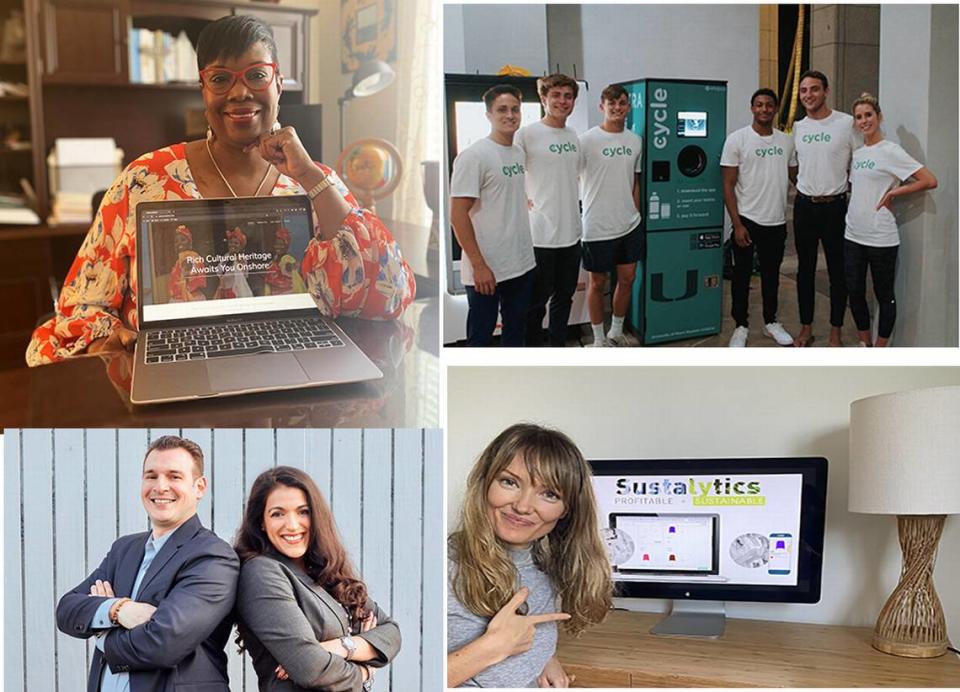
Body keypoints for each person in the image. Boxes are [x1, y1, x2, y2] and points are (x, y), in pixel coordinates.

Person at [26, 15, 414, 366]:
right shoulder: (143, 179)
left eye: (256, 75)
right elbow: (81, 307)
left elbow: (390, 293)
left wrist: (312, 177)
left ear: (279, 83)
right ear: (203, 90)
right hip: (174, 365)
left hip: (294, 362)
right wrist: (107, 340)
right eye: (220, 78)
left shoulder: (316, 181)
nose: (239, 92)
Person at [55, 435, 240, 692]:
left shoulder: (212, 556)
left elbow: (163, 643)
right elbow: (67, 609)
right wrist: (118, 610)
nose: (160, 486)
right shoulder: (124, 549)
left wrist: (103, 634)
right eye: (151, 476)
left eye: (174, 476)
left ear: (199, 487)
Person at [447, 424, 613, 688]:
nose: (523, 507)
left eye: (549, 494)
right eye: (510, 482)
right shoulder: (443, 568)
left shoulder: (543, 563)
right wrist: (491, 648)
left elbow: (523, 634)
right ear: (485, 483)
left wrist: (543, 658)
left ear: (566, 510)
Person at [234, 466, 401, 691]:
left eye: (303, 511)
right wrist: (365, 670)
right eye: (278, 513)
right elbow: (311, 668)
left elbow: (391, 633)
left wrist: (340, 646)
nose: (292, 525)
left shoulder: (326, 571)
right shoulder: (262, 572)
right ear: (261, 522)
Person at [844, 92, 937, 347]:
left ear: (879, 117)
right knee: (854, 291)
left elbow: (929, 180)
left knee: (883, 295)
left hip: (881, 237)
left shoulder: (891, 151)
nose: (864, 121)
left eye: (868, 115)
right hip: (853, 234)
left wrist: (896, 191)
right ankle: (865, 343)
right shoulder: (860, 153)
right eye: (859, 117)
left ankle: (880, 349)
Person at [450, 84, 536, 346]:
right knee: (481, 337)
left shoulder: (518, 152)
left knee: (516, 332)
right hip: (486, 269)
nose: (510, 115)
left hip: (521, 263)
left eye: (515, 110)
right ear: (488, 115)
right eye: (502, 110)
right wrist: (479, 265)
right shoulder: (474, 156)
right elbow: (457, 215)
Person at [721, 88, 798, 347]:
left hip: (776, 221)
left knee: (771, 275)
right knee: (741, 277)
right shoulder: (737, 140)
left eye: (769, 105)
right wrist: (737, 224)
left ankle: (770, 322)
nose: (764, 109)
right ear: (752, 108)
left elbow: (796, 176)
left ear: (775, 109)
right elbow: (728, 185)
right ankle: (740, 326)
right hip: (747, 221)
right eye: (759, 105)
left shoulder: (786, 141)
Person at [516, 74, 583, 347]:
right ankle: (533, 350)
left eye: (568, 96)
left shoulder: (573, 135)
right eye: (556, 95)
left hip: (571, 233)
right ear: (544, 98)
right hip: (541, 235)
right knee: (536, 302)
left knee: (564, 297)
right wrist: (523, 199)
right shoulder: (527, 134)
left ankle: (558, 348)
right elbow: (509, 173)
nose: (562, 101)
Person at [792, 71, 855, 347]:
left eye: (814, 89)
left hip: (836, 208)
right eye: (804, 90)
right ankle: (805, 328)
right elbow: (794, 167)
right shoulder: (798, 127)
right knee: (804, 271)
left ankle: (836, 331)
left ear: (826, 91)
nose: (808, 95)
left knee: (837, 272)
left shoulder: (846, 123)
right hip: (805, 206)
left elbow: (861, 160)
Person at [578, 84, 643, 347]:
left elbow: (635, 181)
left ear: (629, 107)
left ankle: (616, 332)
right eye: (611, 103)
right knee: (597, 283)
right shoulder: (586, 141)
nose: (617, 108)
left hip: (629, 224)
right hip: (596, 225)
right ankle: (598, 339)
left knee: (628, 279)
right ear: (601, 106)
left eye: (622, 103)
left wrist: (635, 210)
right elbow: (569, 178)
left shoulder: (634, 140)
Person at [168, 225, 207, 301]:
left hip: (190, 297)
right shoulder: (179, 260)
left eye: (183, 240)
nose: (179, 243)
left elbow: (191, 280)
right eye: (176, 241)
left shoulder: (191, 256)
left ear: (189, 242)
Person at [213, 227, 254, 299]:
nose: (233, 245)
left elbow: (245, 274)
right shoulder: (226, 256)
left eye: (236, 243)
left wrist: (240, 262)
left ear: (241, 246)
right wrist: (228, 259)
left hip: (237, 289)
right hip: (225, 288)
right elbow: (219, 271)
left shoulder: (241, 258)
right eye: (231, 242)